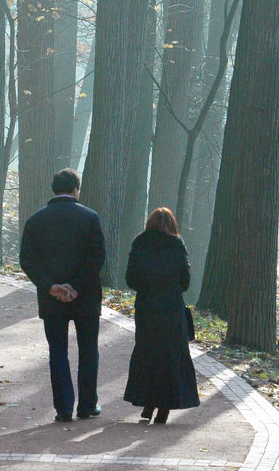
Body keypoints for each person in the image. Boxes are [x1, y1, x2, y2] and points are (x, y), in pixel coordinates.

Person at [19, 168, 106, 423]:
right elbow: (97, 257)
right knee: (88, 350)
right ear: (76, 189)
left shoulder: (36, 221)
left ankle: (64, 409)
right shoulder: (90, 218)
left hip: (51, 299)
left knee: (58, 352)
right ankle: (87, 405)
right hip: (86, 297)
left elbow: (28, 260)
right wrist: (76, 286)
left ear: (54, 189)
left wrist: (52, 287)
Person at [123, 207, 199, 424]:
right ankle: (164, 407)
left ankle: (147, 402)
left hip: (147, 308)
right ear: (172, 225)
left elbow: (131, 279)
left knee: (147, 353)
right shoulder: (177, 245)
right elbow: (185, 282)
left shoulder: (140, 243)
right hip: (171, 309)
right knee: (171, 357)